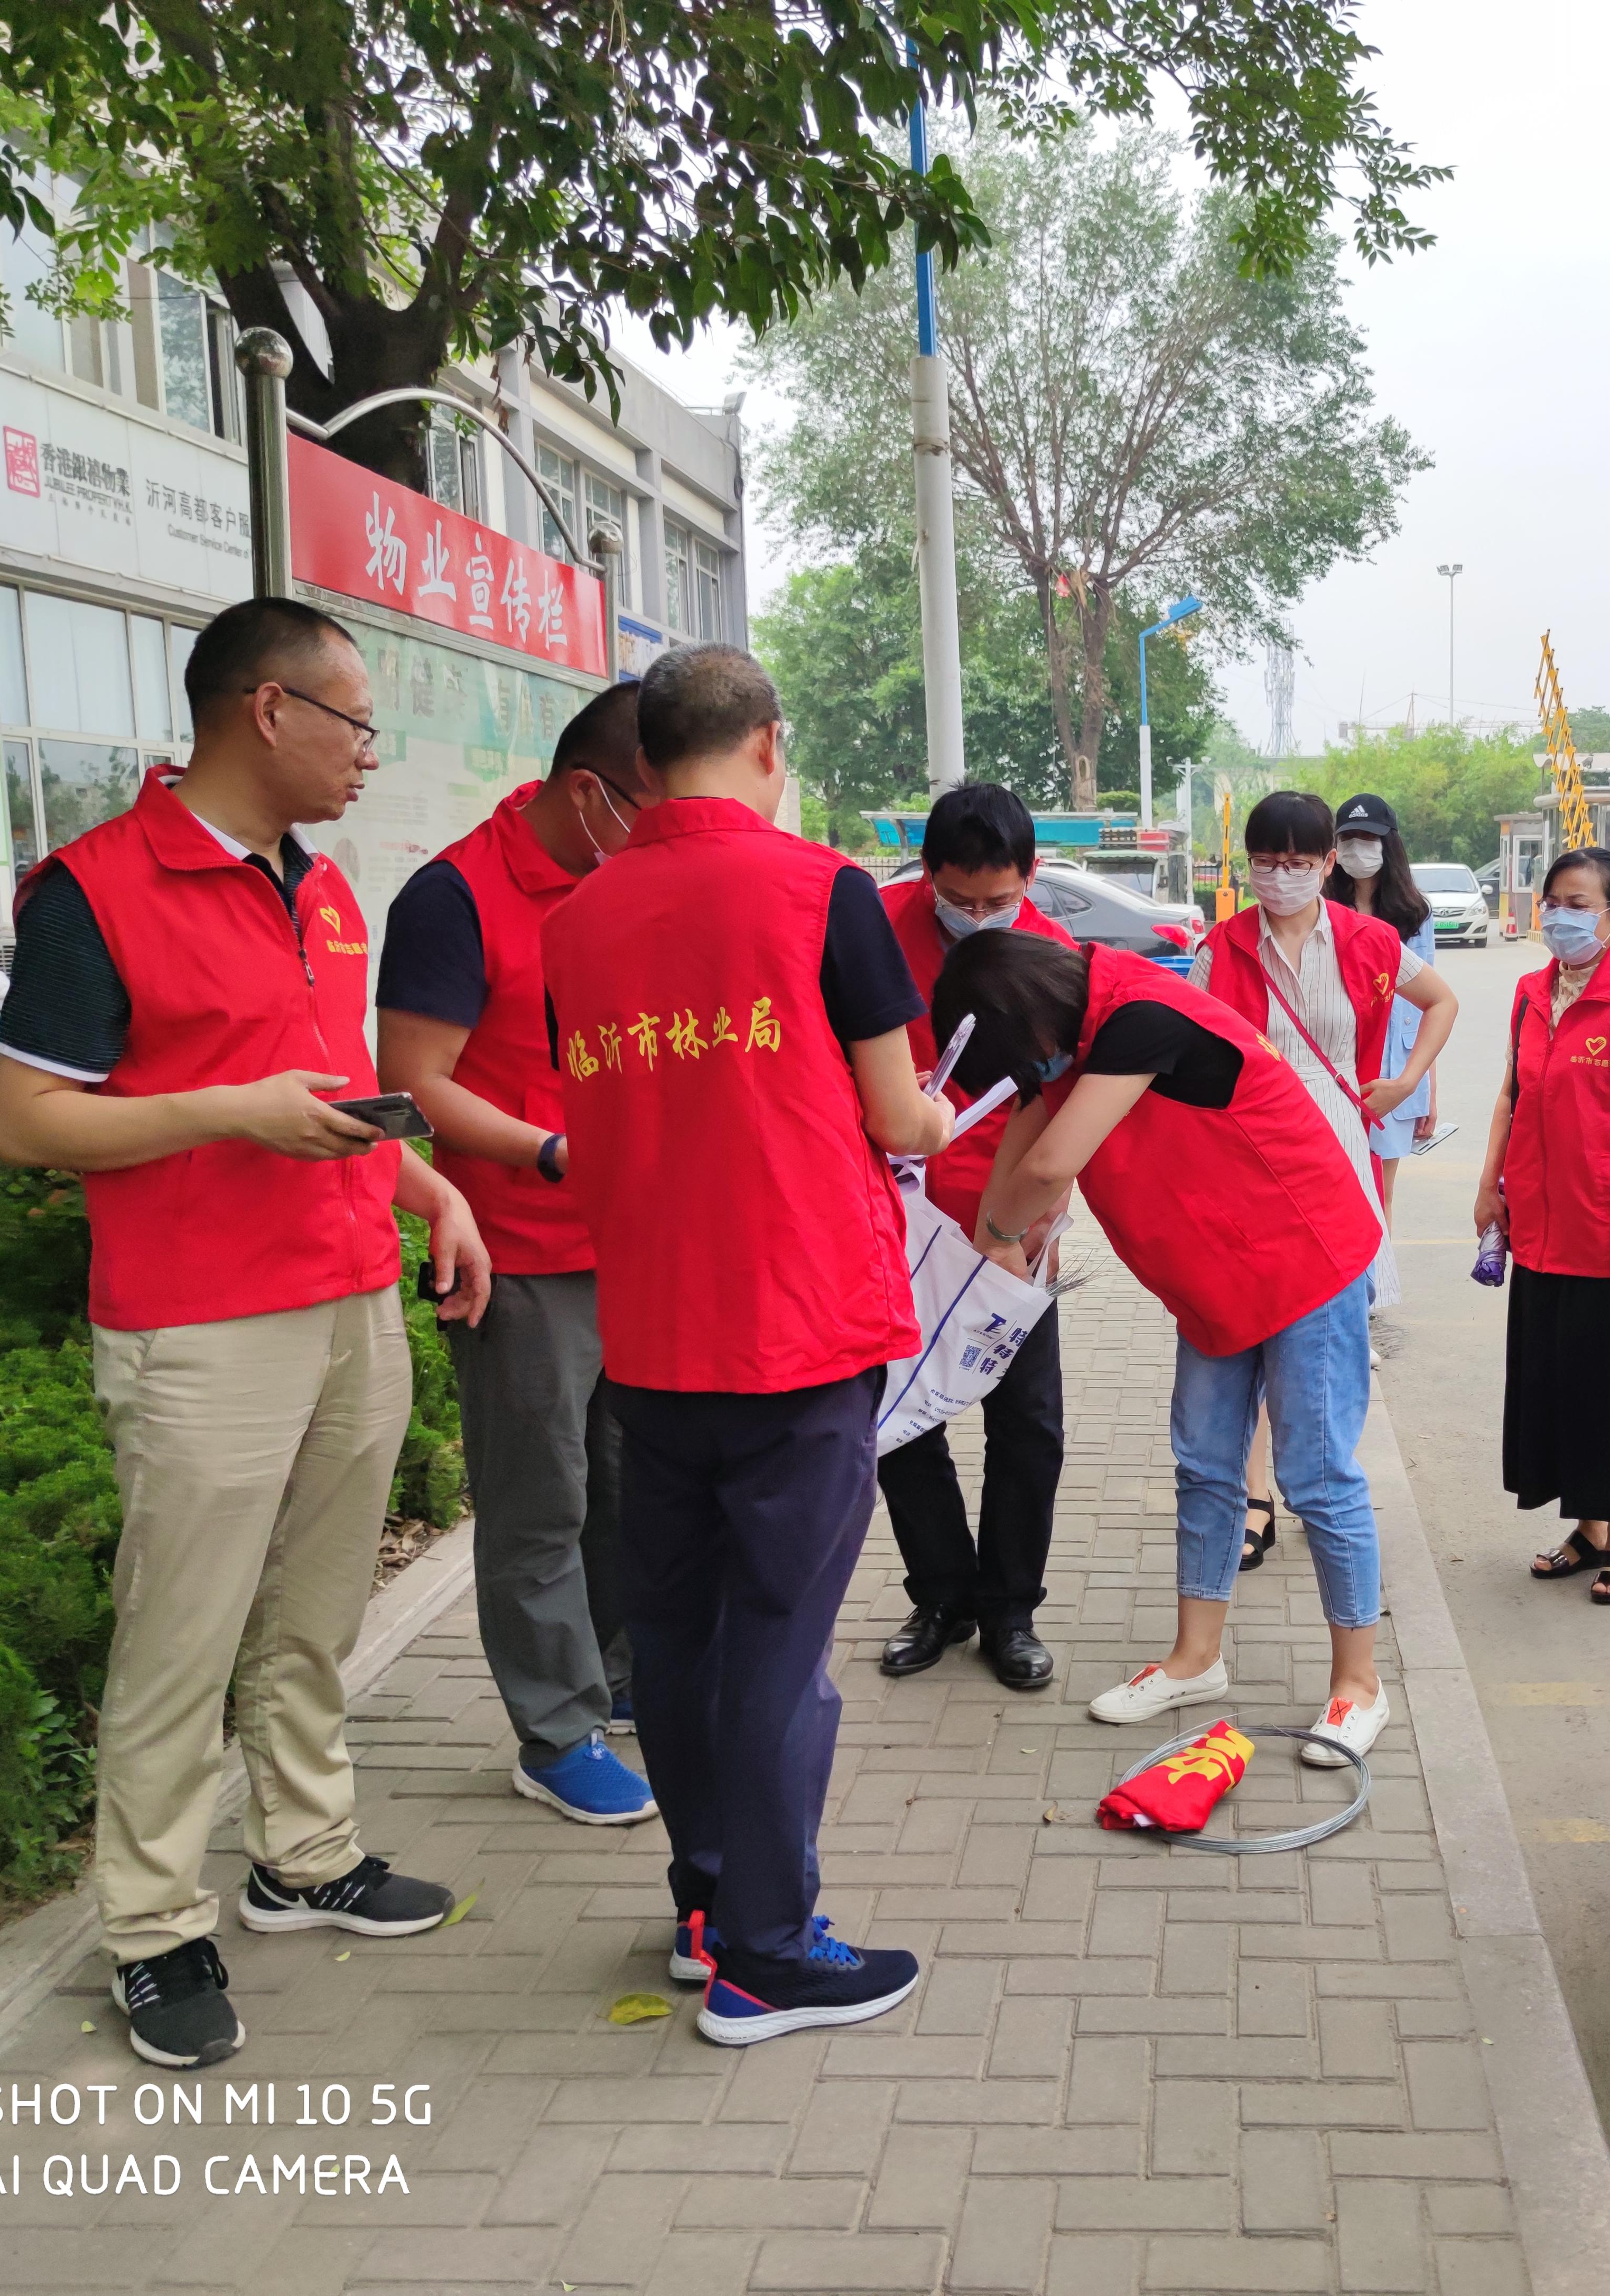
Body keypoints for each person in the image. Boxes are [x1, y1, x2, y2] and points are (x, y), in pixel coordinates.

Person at [0, 597, 482, 2068]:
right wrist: (227, 1114)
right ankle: (151, 1925)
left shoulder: (318, 887)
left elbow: (326, 1094)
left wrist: (431, 1190)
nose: (369, 754)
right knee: (183, 1636)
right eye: (356, 724)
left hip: (348, 1296)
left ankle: (304, 1853)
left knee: (315, 1612)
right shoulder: (95, 892)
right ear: (270, 710)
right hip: (201, 1325)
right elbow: (26, 1123)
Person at [541, 644, 953, 2048]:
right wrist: (938, 1119)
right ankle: (770, 1957)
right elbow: (898, 1115)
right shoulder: (823, 892)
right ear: (769, 745)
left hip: (652, 1333)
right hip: (795, 1330)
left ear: (646, 761)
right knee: (780, 1649)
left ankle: (710, 1905)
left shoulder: (577, 922)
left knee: (677, 1635)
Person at [932, 927, 1395, 1765]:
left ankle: (1359, 1685)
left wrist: (998, 1238)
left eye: (1024, 1060)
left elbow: (1053, 1164)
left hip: (1306, 1260)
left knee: (1318, 1477)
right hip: (1218, 1277)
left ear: (1032, 1016)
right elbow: (1026, 1134)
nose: (1034, 1077)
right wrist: (987, 1240)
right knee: (1206, 1465)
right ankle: (1195, 1659)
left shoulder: (1140, 1016)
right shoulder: (1070, 1039)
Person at [375, 683, 658, 1827]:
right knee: (540, 1499)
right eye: (651, 809)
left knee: (631, 1487)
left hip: (632, 1240)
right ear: (588, 792)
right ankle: (555, 1732)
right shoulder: (455, 897)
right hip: (520, 1251)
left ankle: (619, 1677)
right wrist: (548, 1151)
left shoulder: (628, 884)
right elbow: (413, 1082)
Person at [1190, 791, 1457, 1568]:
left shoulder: (1368, 939)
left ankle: (1325, 1483)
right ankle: (1254, 1494)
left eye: (1297, 862)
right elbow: (1190, 1046)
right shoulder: (1222, 948)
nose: (1280, 876)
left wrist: (1405, 1082)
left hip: (1338, 1140)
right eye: (1265, 862)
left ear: (1327, 862)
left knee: (1329, 1337)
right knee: (1254, 1321)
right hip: (1250, 1150)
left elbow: (1440, 1001)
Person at [870, 783, 1079, 1692]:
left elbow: (1065, 1106)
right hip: (893, 1222)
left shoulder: (1053, 954)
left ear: (1031, 876)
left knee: (1027, 1421)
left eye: (1000, 900)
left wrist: (1035, 1221)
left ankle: (1011, 1608)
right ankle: (942, 1595)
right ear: (928, 873)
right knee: (901, 1417)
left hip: (1009, 1224)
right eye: (960, 899)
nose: (980, 916)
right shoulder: (872, 932)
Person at [1469, 848, 1610, 1605]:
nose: (1560, 915)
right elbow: (1511, 1096)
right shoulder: (1532, 993)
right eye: (1553, 901)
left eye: (1579, 904)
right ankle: (1587, 1528)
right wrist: (1490, 1184)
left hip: (1609, 1229)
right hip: (1539, 1222)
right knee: (1557, 1383)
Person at [1329, 791, 1440, 1216]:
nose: (1358, 849)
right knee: (1338, 1188)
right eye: (1348, 839)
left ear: (1388, 843)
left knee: (1380, 1192)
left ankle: (1381, 1264)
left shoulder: (1415, 913)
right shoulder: (1321, 909)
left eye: (1368, 839)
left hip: (1395, 1072)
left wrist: (1426, 1091)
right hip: (1338, 1064)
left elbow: (1431, 1007)